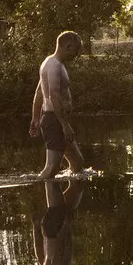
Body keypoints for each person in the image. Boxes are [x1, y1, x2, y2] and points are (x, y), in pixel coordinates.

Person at [30, 30, 87, 179]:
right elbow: (53, 96)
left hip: (56, 119)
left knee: (77, 163)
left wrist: (35, 118)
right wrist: (65, 125)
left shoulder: (53, 64)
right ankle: (46, 196)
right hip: (54, 120)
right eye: (76, 49)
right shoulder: (53, 65)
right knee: (51, 168)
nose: (77, 53)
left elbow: (39, 93)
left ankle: (66, 202)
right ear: (68, 46)